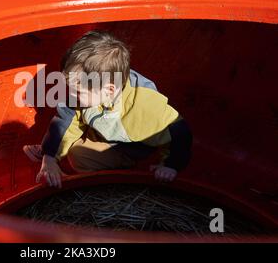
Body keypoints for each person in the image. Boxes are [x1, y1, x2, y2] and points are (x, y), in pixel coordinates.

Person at [23, 30, 192, 188]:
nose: (71, 95)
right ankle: (53, 148)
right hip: (102, 129)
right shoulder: (89, 94)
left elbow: (180, 132)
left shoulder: (144, 107)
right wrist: (50, 156)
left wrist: (170, 165)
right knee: (69, 143)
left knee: (79, 155)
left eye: (78, 91)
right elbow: (65, 120)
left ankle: (115, 180)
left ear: (109, 90)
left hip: (129, 146)